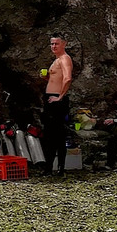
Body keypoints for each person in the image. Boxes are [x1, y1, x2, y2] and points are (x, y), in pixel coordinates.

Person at [41, 34, 73, 176]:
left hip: (57, 100)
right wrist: (46, 77)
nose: (54, 46)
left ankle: (60, 167)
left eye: (57, 44)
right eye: (52, 44)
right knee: (49, 135)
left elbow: (67, 78)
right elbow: (57, 78)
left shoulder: (65, 59)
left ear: (64, 44)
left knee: (58, 135)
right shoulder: (56, 60)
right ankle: (49, 167)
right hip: (50, 99)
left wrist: (60, 97)